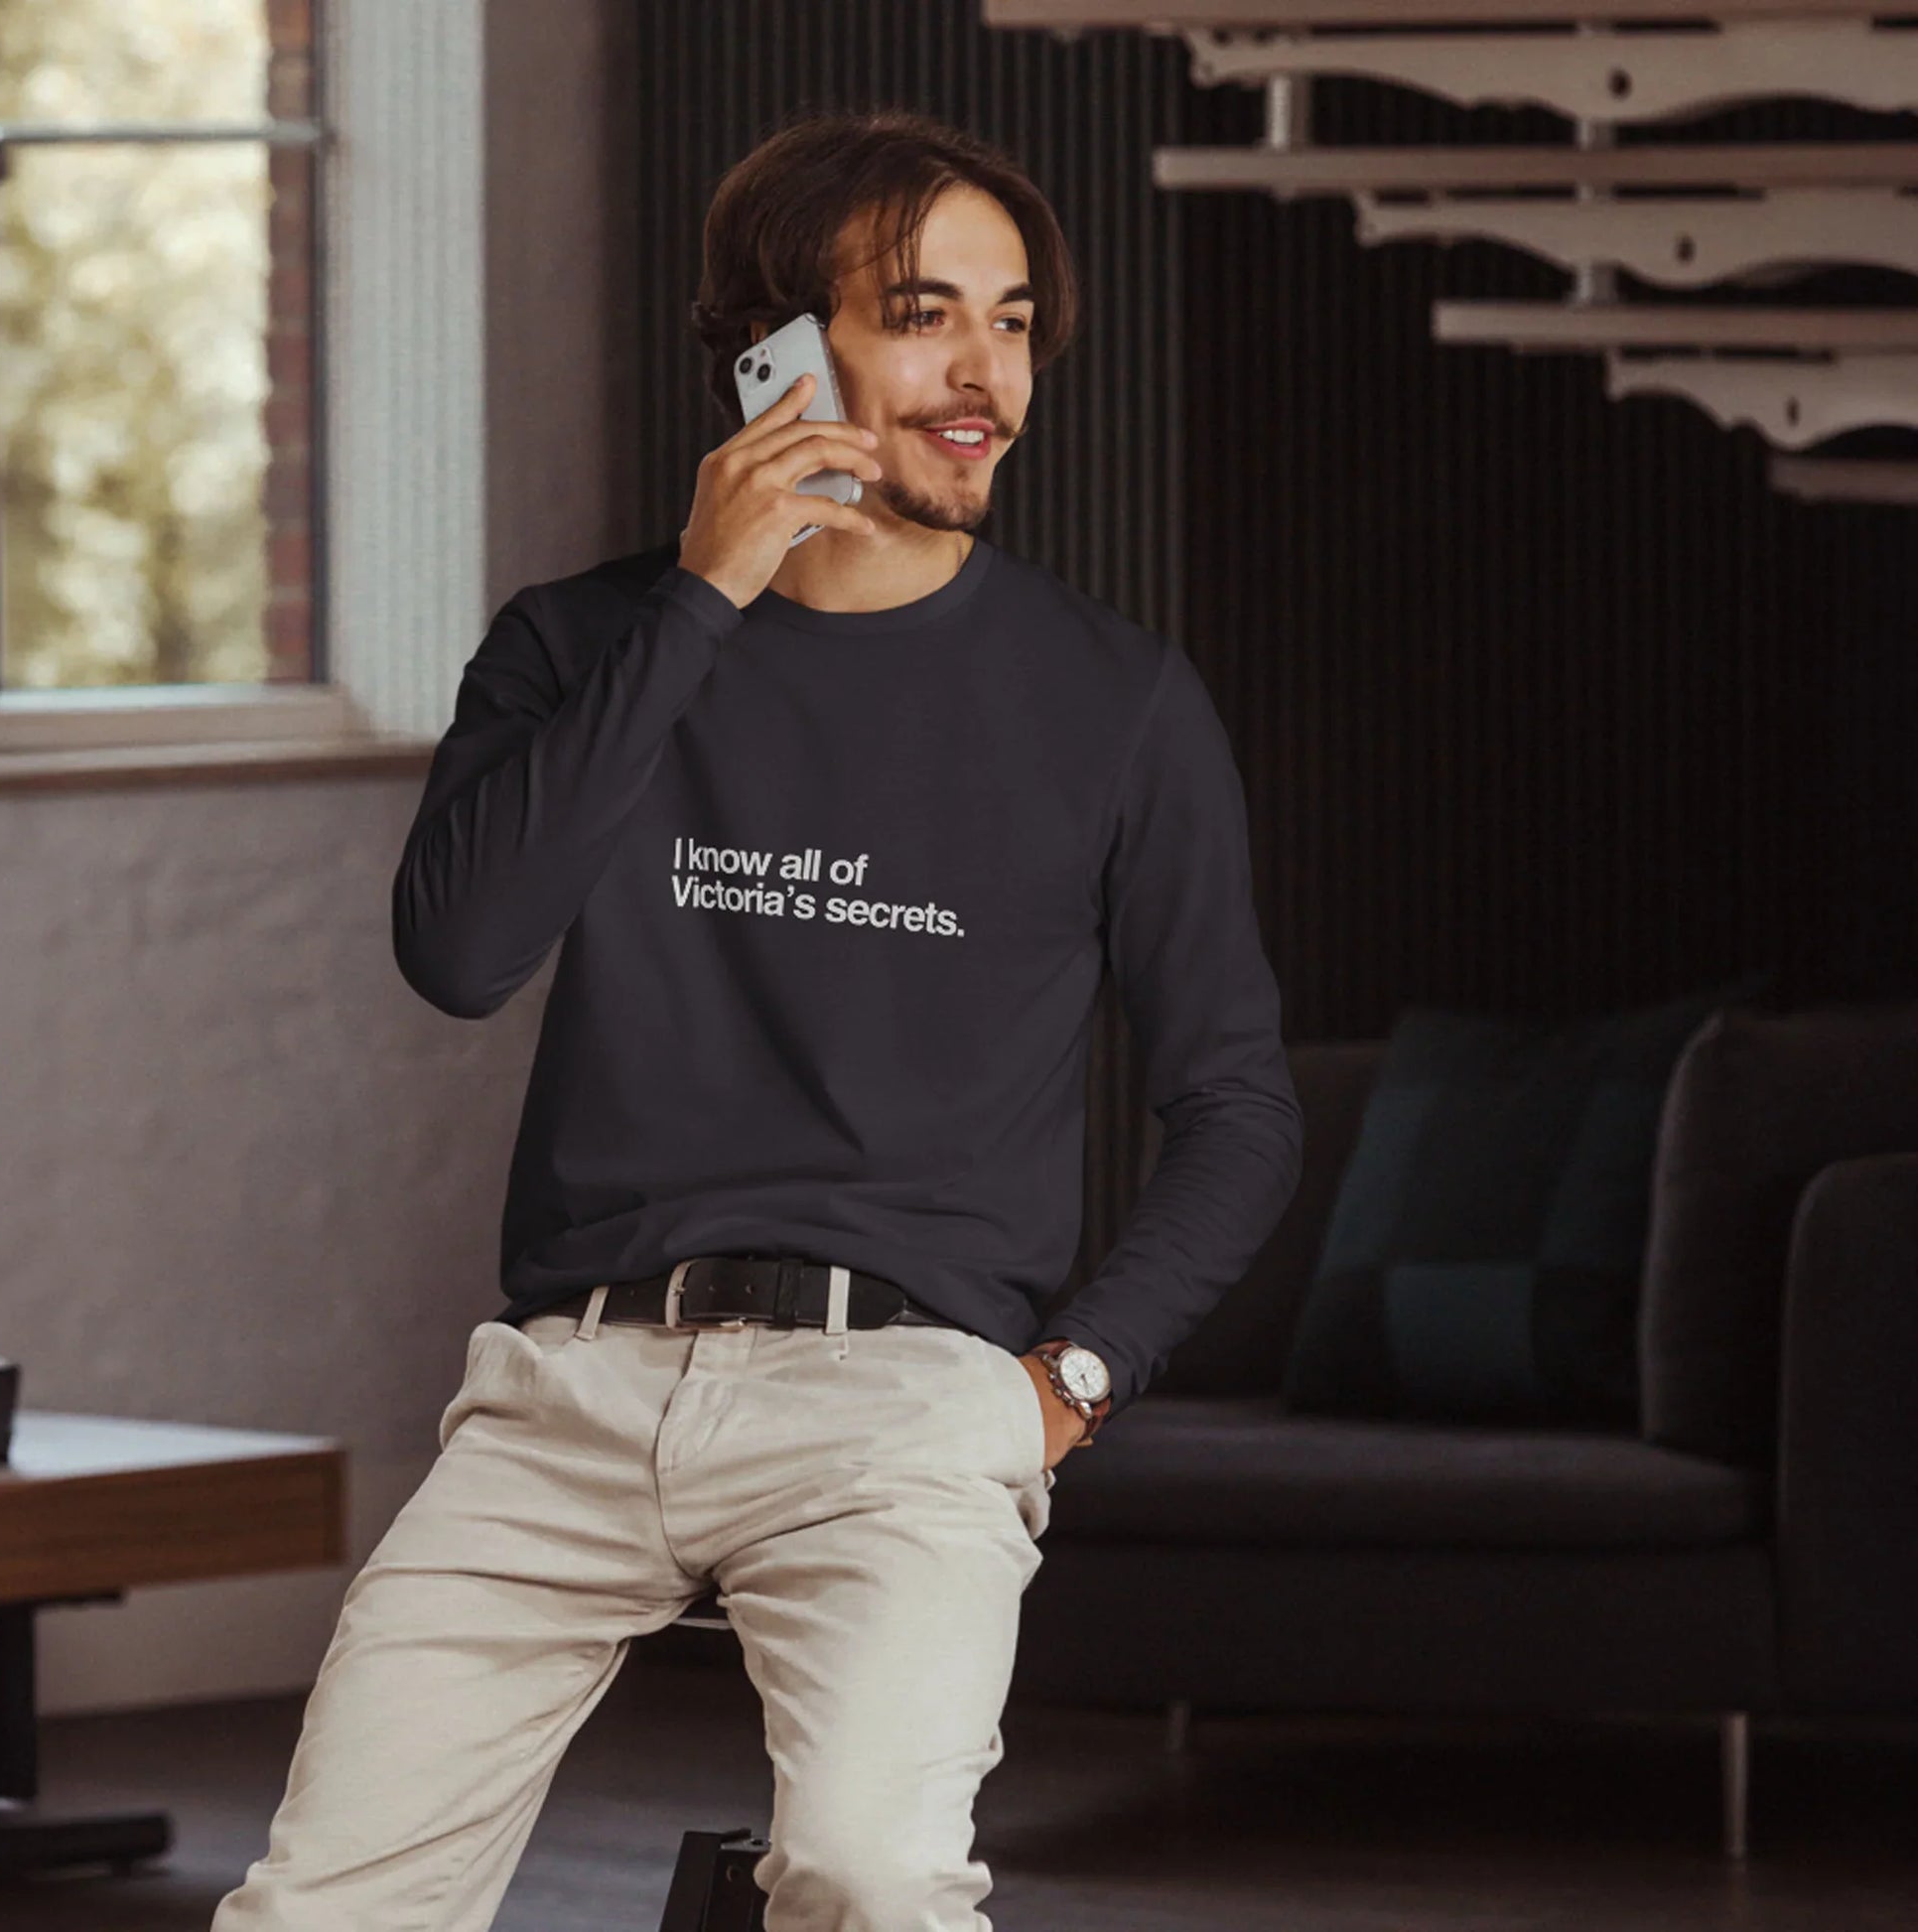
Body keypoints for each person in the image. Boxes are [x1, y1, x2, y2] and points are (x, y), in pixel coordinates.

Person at [213, 105, 1302, 1932]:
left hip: (907, 1404)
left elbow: (1237, 1101)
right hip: (572, 1390)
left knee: (873, 1878)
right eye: (921, 315)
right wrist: (708, 596)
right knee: (322, 1905)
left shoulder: (1113, 701)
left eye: (1014, 320)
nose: (983, 378)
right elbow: (462, 952)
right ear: (772, 355)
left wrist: (1072, 1383)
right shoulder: (581, 645)